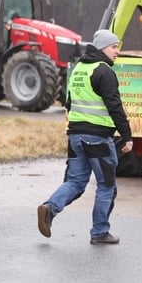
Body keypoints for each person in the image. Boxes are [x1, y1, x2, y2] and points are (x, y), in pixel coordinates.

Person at [37, 29, 133, 245]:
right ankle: (100, 232)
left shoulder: (80, 69)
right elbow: (114, 106)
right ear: (102, 48)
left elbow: (69, 102)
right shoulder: (104, 71)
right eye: (114, 47)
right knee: (106, 185)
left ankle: (49, 208)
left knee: (75, 182)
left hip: (75, 137)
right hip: (97, 138)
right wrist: (127, 135)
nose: (117, 51)